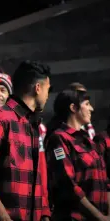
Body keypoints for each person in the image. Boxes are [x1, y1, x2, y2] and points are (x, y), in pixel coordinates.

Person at [0, 60, 52, 221]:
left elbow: (37, 179)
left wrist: (44, 215)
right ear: (38, 88)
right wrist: (4, 217)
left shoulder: (33, 124)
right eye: (47, 89)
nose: (47, 95)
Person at [45, 88, 109, 221]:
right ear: (73, 108)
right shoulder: (59, 138)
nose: (91, 109)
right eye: (87, 104)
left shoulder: (88, 141)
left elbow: (105, 181)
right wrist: (99, 217)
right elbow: (68, 185)